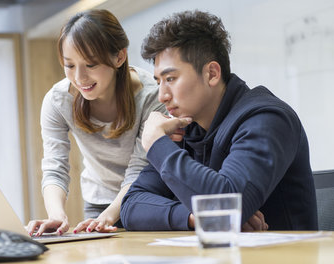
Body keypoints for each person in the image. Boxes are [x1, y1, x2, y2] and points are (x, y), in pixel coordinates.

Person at [120, 10, 318, 231]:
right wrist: (194, 217)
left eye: (171, 79)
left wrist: (157, 144)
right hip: (227, 261)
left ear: (212, 73)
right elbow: (131, 205)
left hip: (284, 262)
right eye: (159, 81)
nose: (162, 95)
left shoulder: (267, 118)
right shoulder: (186, 127)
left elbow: (226, 204)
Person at [27, 9, 164, 236]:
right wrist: (56, 216)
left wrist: (108, 217)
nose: (79, 78)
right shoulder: (58, 100)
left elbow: (140, 169)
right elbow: (55, 166)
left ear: (119, 57)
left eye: (90, 65)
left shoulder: (152, 96)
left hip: (147, 200)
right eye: (70, 65)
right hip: (98, 202)